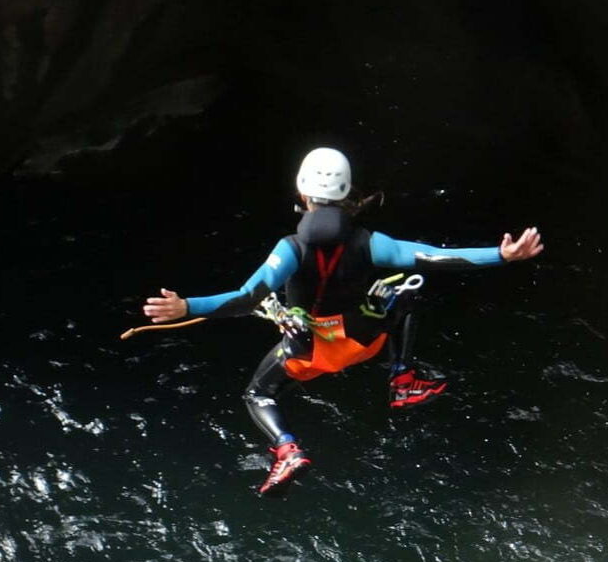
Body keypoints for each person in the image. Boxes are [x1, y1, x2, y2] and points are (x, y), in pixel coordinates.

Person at [144, 147, 544, 494]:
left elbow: (247, 297)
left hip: (309, 354)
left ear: (302, 191)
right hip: (363, 342)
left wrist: (188, 307)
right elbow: (434, 257)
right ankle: (402, 377)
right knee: (406, 292)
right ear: (347, 192)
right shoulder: (373, 244)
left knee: (257, 394)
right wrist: (501, 255)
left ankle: (287, 449)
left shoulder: (291, 250)